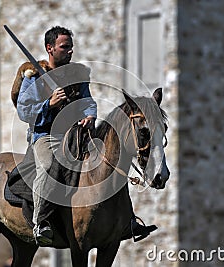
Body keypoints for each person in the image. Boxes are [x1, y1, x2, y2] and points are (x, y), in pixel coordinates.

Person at [16, 26, 156, 246]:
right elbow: (24, 112)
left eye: (71, 47)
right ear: (49, 48)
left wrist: (90, 116)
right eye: (65, 47)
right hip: (46, 135)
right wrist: (48, 105)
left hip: (76, 133)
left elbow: (88, 101)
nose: (70, 51)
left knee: (108, 162)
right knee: (48, 164)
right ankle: (40, 222)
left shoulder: (77, 75)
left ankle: (127, 219)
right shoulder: (33, 78)